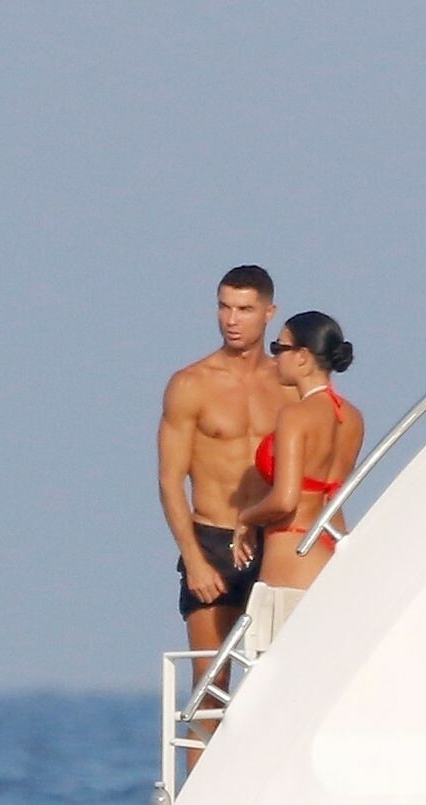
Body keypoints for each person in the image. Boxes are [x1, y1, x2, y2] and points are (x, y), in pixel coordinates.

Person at [157, 265, 295, 734]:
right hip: (213, 540)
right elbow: (170, 480)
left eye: (245, 309)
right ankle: (199, 782)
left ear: (269, 313)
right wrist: (194, 560)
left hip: (273, 542)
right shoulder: (191, 383)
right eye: (224, 307)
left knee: (283, 680)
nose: (232, 320)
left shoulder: (288, 383)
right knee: (210, 686)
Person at [234, 311, 364, 651]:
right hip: (333, 553)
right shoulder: (351, 418)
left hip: (292, 559)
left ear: (303, 357)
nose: (274, 356)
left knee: (274, 670)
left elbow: (285, 499)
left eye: (279, 347)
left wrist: (245, 518)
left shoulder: (295, 416)